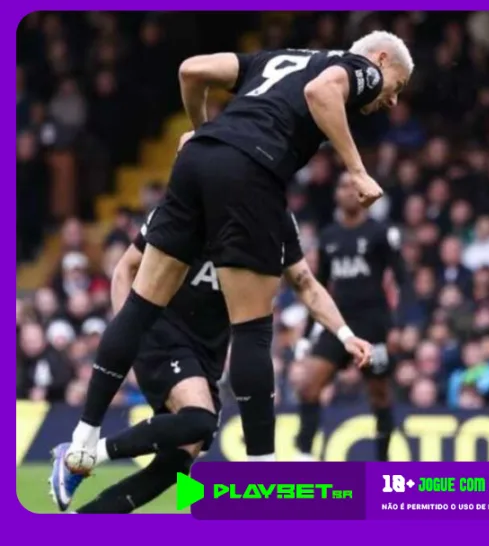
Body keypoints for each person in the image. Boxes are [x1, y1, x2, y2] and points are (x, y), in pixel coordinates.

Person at [61, 31, 414, 473]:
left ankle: (84, 437)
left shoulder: (275, 58)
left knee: (140, 309)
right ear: (381, 60)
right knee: (252, 330)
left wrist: (199, 128)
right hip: (252, 172)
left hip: (198, 161)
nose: (392, 99)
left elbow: (191, 70)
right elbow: (321, 91)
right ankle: (262, 471)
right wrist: (358, 171)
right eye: (396, 86)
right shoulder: (362, 68)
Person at [49, 211, 372, 512]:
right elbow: (125, 269)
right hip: (162, 330)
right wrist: (126, 338)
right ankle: (83, 456)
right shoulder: (190, 198)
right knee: (201, 420)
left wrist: (345, 334)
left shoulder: (276, 217)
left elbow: (306, 284)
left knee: (175, 463)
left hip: (208, 352)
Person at [292, 173, 407, 461]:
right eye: (343, 186)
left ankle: (383, 461)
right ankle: (305, 457)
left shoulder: (380, 233)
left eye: (354, 186)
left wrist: (397, 325)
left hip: (373, 325)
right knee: (308, 387)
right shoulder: (329, 236)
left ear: (363, 195)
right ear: (336, 194)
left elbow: (401, 279)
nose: (348, 191)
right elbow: (317, 287)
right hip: (339, 325)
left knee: (379, 394)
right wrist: (308, 334)